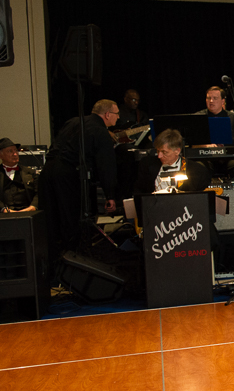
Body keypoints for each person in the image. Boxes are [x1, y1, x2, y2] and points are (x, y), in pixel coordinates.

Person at [39, 99, 120, 266]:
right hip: (67, 174)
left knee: (51, 222)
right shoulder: (100, 131)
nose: (118, 118)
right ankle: (73, 266)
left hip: (47, 172)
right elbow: (106, 166)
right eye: (117, 114)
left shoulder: (73, 121)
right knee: (71, 222)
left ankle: (52, 268)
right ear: (107, 114)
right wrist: (110, 195)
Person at [135, 129, 211, 194]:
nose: (159, 156)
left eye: (164, 152)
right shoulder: (146, 164)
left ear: (177, 151)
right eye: (158, 151)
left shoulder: (197, 170)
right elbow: (139, 191)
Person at [0, 138, 38, 212]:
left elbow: (39, 193)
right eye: (10, 151)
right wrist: (3, 209)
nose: (15, 154)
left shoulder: (30, 172)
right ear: (1, 156)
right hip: (3, 216)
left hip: (28, 212)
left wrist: (32, 207)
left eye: (15, 150)